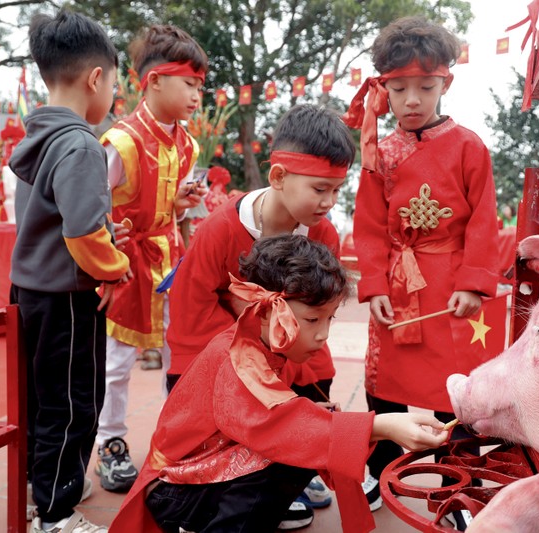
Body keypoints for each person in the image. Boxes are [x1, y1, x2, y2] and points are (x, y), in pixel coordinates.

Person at [111, 234, 449, 533]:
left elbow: (268, 417)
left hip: (198, 474)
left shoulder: (256, 343)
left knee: (307, 435)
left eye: (329, 318)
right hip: (175, 489)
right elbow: (277, 425)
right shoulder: (240, 359)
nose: (323, 334)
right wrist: (381, 425)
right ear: (265, 310)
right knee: (294, 449)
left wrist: (320, 417)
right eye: (312, 319)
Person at [164, 104, 380, 527]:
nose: (329, 202)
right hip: (227, 363)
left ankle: (289, 469)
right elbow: (191, 319)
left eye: (337, 190)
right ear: (279, 177)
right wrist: (256, 350)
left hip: (291, 358)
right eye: (320, 189)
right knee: (243, 428)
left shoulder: (324, 234)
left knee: (318, 395)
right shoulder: (220, 229)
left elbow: (318, 315)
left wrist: (314, 399)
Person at [342, 16, 500, 530]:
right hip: (397, 285)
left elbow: (484, 219)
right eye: (400, 88)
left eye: (425, 87)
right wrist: (373, 286)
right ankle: (377, 472)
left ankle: (460, 485)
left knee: (458, 392)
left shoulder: (470, 146)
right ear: (384, 88)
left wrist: (475, 284)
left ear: (445, 84)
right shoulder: (379, 154)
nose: (413, 99)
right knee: (384, 383)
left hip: (453, 287)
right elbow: (367, 226)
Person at [8, 9, 130, 533]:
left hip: (31, 291)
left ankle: (44, 490)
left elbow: (58, 223)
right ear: (95, 78)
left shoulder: (37, 139)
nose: (113, 100)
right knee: (76, 403)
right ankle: (56, 514)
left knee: (41, 399)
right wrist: (115, 267)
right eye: (116, 86)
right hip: (68, 299)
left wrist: (101, 236)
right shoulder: (81, 143)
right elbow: (81, 236)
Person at [94, 24, 208, 494]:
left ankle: (174, 441)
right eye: (189, 84)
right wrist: (109, 242)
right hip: (126, 264)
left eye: (201, 86)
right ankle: (110, 442)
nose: (197, 96)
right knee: (117, 361)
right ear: (154, 81)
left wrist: (179, 205)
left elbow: (169, 210)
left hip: (170, 261)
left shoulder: (187, 144)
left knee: (176, 357)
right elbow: (91, 205)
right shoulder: (120, 142)